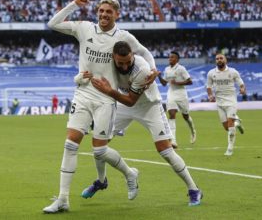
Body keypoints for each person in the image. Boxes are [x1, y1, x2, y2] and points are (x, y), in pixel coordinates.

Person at [43, 0, 157, 213]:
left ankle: (129, 173)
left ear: (117, 14)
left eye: (109, 12)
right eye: (101, 11)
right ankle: (63, 199)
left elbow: (143, 51)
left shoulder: (123, 37)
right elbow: (52, 24)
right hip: (83, 94)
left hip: (106, 98)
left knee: (100, 152)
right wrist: (75, 4)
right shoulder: (84, 28)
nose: (104, 15)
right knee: (70, 144)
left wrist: (152, 69)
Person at [76, 41, 202, 206]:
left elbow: (130, 100)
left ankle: (194, 189)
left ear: (133, 56)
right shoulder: (106, 64)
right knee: (99, 144)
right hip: (121, 104)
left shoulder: (141, 69)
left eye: (128, 62)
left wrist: (109, 91)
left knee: (165, 151)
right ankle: (101, 181)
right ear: (113, 57)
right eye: (121, 63)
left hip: (148, 106)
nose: (125, 66)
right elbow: (88, 79)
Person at [207, 54, 246, 156]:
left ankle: (230, 148)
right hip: (219, 103)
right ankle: (237, 123)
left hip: (231, 101)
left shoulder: (233, 72)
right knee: (226, 127)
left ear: (225, 60)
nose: (219, 60)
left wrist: (242, 88)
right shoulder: (211, 73)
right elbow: (209, 86)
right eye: (217, 59)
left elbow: (240, 83)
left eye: (221, 58)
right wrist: (210, 95)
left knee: (230, 124)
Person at [158, 51, 197, 148]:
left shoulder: (181, 69)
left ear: (177, 59)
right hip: (171, 94)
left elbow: (190, 81)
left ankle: (193, 131)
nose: (170, 59)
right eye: (169, 57)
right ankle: (173, 141)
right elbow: (164, 83)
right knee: (171, 114)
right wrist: (158, 76)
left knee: (186, 116)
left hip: (181, 95)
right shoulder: (167, 69)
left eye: (172, 57)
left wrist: (178, 83)